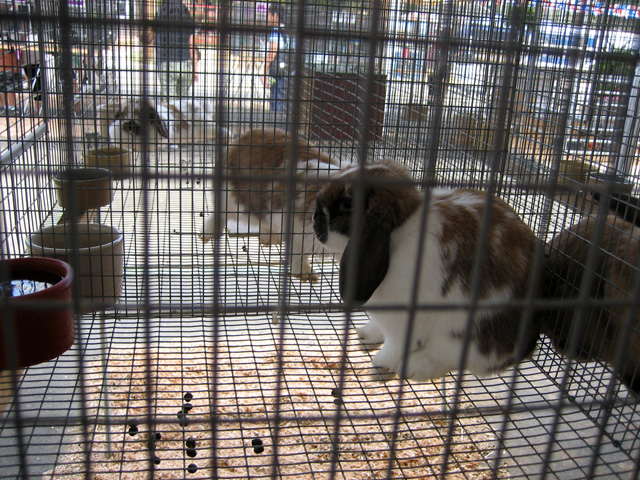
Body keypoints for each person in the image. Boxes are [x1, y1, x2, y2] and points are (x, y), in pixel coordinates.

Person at [153, 0, 198, 101]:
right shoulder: (187, 18)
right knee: (183, 103)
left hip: (166, 62)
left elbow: (151, 38)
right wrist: (195, 69)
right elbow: (192, 45)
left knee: (169, 104)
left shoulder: (161, 16)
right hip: (186, 64)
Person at [263, 4, 292, 114]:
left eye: (268, 15)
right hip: (281, 71)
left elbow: (272, 53)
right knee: (278, 97)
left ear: (275, 16)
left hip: (275, 72)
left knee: (275, 100)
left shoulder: (276, 31)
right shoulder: (284, 30)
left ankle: (275, 125)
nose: (267, 18)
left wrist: (264, 72)